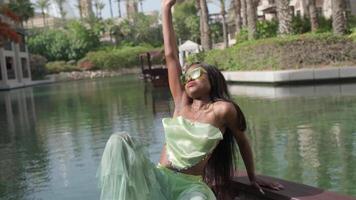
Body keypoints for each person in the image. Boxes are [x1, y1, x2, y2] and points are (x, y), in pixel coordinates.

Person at [97, 0, 283, 199]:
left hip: (189, 187)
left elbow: (242, 141)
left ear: (211, 78)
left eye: (195, 74)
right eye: (185, 77)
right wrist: (166, 8)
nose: (188, 79)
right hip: (158, 179)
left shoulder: (223, 110)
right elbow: (170, 55)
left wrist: (253, 177)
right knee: (119, 141)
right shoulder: (180, 103)